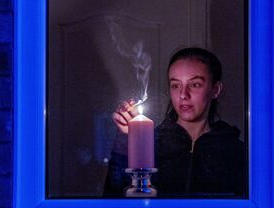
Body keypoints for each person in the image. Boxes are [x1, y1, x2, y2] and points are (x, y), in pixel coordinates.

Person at [104, 47, 246, 198]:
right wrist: (125, 140)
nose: (183, 95)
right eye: (176, 85)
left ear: (215, 89)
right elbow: (112, 199)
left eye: (195, 84)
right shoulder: (151, 144)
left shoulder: (236, 152)